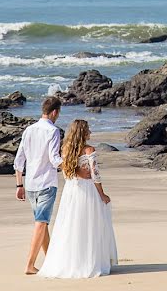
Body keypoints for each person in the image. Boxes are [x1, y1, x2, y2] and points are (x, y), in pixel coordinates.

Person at [39, 119, 118, 278]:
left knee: (71, 224)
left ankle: (70, 261)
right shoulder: (89, 150)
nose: (90, 132)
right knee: (89, 225)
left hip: (71, 191)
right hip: (87, 190)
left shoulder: (66, 149)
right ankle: (88, 261)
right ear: (82, 132)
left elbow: (65, 171)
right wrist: (102, 194)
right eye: (88, 129)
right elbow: (95, 175)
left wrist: (76, 174)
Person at [14, 96, 64, 275]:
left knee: (41, 224)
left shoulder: (29, 130)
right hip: (46, 183)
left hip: (30, 184)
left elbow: (19, 159)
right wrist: (71, 162)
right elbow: (54, 159)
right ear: (55, 112)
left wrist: (19, 184)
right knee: (41, 223)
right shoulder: (53, 131)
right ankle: (30, 264)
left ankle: (51, 260)